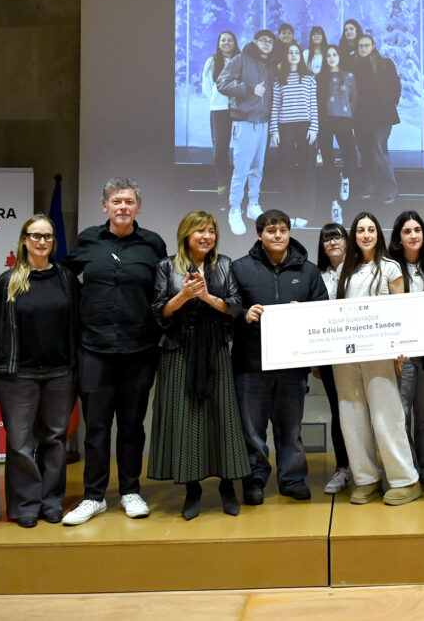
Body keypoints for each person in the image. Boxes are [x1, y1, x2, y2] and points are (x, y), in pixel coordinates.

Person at [62, 178, 167, 526]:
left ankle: (130, 491)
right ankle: (93, 497)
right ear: (104, 206)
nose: (123, 207)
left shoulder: (153, 244)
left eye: (129, 201)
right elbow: (62, 278)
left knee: (132, 425)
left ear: (138, 208)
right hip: (94, 348)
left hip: (140, 349)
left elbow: (163, 292)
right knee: (96, 427)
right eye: (116, 201)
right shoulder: (87, 241)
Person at [148, 211, 250, 520]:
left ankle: (227, 486)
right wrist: (181, 297)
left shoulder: (225, 265)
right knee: (187, 420)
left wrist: (206, 296)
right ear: (186, 235)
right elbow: (158, 312)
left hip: (215, 351)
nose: (206, 237)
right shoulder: (167, 266)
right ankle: (192, 489)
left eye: (211, 231)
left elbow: (234, 308)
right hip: (178, 353)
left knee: (223, 418)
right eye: (199, 231)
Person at [232, 210, 328, 504]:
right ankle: (255, 479)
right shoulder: (239, 268)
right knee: (252, 429)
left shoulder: (309, 271)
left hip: (292, 365)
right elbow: (228, 307)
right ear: (259, 235)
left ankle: (293, 478)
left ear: (289, 233)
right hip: (251, 363)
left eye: (283, 230)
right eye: (271, 231)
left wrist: (306, 313)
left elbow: (323, 311)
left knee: (291, 428)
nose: (277, 235)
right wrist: (243, 314)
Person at [0, 214, 80, 527]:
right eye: (35, 236)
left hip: (60, 373)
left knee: (55, 441)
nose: (41, 241)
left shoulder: (66, 279)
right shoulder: (8, 280)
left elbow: (76, 325)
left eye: (47, 236)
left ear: (53, 242)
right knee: (19, 443)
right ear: (25, 240)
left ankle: (51, 502)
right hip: (18, 375)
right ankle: (25, 505)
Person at [334, 212, 422, 506]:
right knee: (352, 416)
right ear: (353, 236)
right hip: (345, 357)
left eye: (371, 229)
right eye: (360, 230)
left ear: (378, 234)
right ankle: (366, 479)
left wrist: (400, 349)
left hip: (381, 355)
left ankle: (404, 480)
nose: (366, 234)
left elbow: (401, 314)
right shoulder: (344, 271)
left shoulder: (390, 268)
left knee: (386, 417)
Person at [387, 210, 424, 488]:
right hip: (402, 354)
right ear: (399, 237)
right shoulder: (388, 269)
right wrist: (393, 349)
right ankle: (406, 467)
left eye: (417, 230)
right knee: (401, 412)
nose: (413, 235)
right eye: (407, 231)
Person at [217, 29, 276, 236]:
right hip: (244, 122)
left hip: (263, 123)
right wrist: (249, 88)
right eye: (263, 40)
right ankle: (234, 209)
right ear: (255, 41)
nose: (267, 44)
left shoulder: (269, 63)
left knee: (257, 168)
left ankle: (253, 204)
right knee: (241, 169)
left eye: (270, 41)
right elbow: (222, 83)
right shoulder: (241, 59)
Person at [314, 222, 352, 494]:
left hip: (363, 352)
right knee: (339, 412)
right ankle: (343, 468)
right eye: (327, 239)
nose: (333, 242)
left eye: (337, 237)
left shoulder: (362, 272)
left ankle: (370, 467)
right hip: (330, 356)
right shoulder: (315, 276)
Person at [269, 42, 319, 229]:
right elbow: (275, 105)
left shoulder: (309, 78)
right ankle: (289, 210)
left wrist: (314, 127)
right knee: (286, 168)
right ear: (286, 56)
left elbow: (314, 105)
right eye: (290, 52)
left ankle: (306, 211)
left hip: (305, 127)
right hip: (285, 127)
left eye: (296, 52)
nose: (293, 55)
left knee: (308, 168)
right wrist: (274, 129)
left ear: (301, 56)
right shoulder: (279, 79)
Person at [352, 34, 401, 204]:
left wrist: (390, 104)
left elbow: (396, 86)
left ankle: (389, 189)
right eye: (360, 45)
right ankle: (369, 186)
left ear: (373, 46)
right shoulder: (355, 65)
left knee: (378, 151)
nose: (363, 48)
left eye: (366, 45)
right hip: (360, 117)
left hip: (380, 117)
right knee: (365, 151)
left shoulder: (384, 64)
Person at [316, 44, 358, 224]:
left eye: (334, 54)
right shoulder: (320, 77)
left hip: (343, 120)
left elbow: (354, 98)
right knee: (328, 161)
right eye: (328, 55)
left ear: (339, 56)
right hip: (325, 120)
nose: (331, 57)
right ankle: (334, 203)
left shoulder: (349, 76)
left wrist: (350, 117)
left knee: (351, 156)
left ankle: (345, 178)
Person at [201, 31, 239, 198]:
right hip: (218, 110)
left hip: (239, 110)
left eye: (229, 40)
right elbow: (207, 85)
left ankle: (239, 183)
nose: (226, 43)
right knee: (220, 149)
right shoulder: (212, 61)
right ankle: (223, 182)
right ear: (218, 43)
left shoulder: (241, 60)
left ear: (235, 43)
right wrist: (217, 100)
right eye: (223, 40)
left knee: (241, 149)